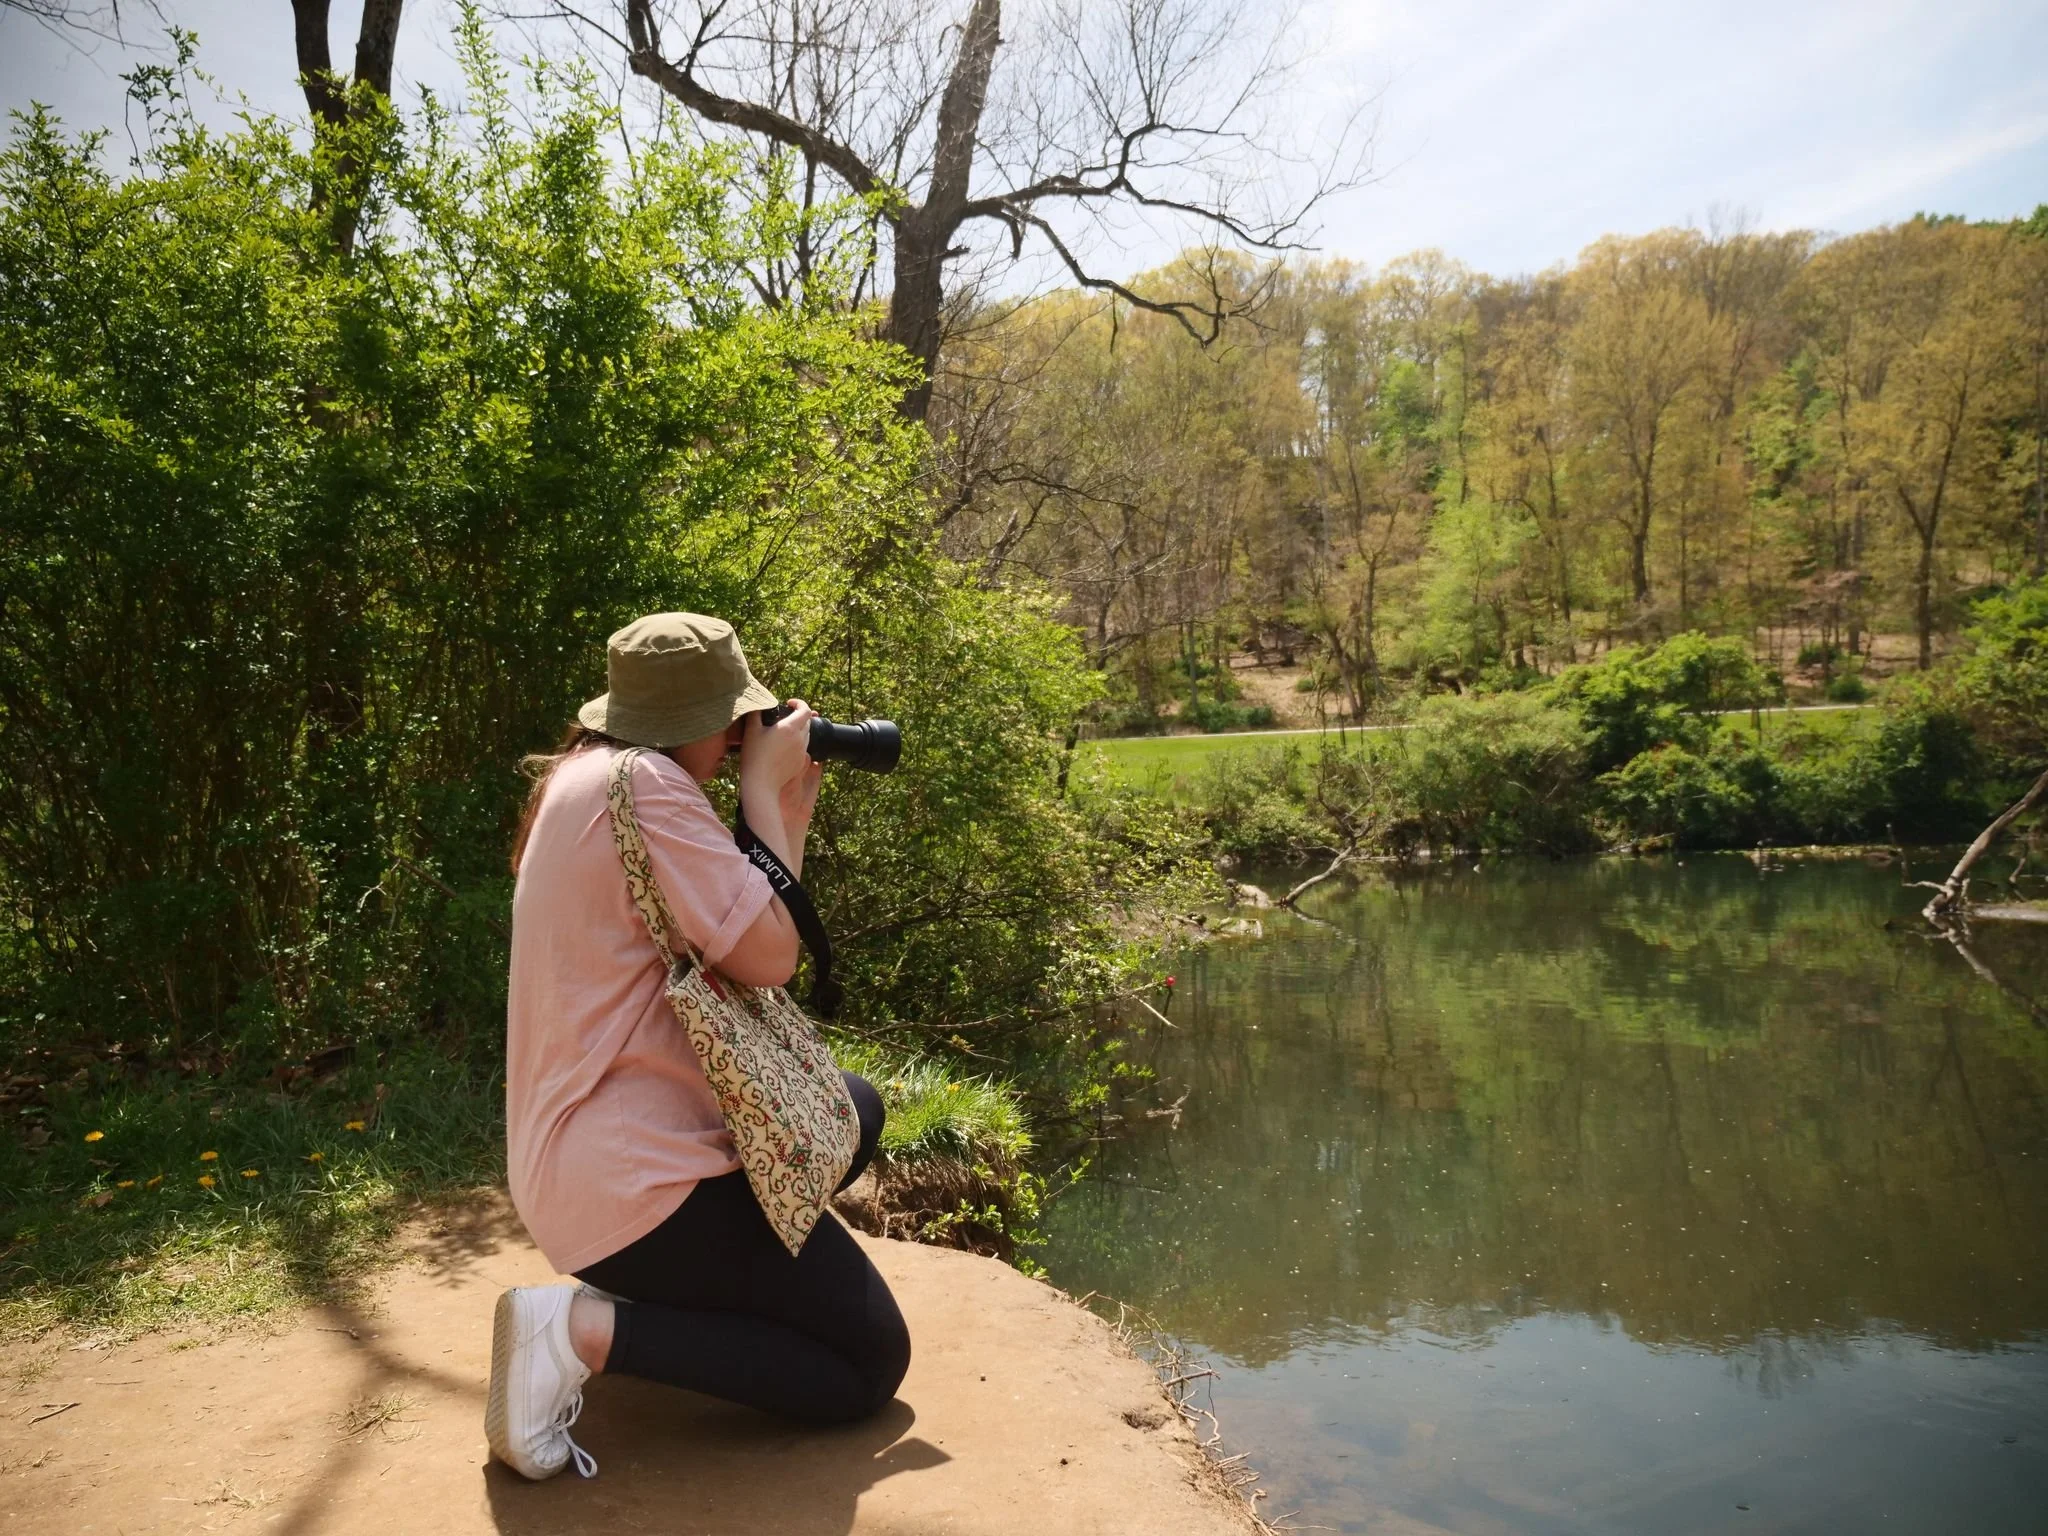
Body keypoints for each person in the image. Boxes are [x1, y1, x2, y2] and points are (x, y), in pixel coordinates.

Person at [485, 612, 909, 1482]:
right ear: (702, 721)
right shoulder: (649, 790)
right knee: (867, 1364)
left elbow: (752, 953)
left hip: (576, 1166)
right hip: (634, 1188)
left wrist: (785, 811)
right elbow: (774, 956)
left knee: (849, 1109)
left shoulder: (588, 775)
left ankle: (679, 1293)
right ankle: (578, 1332)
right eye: (732, 719)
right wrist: (760, 792)